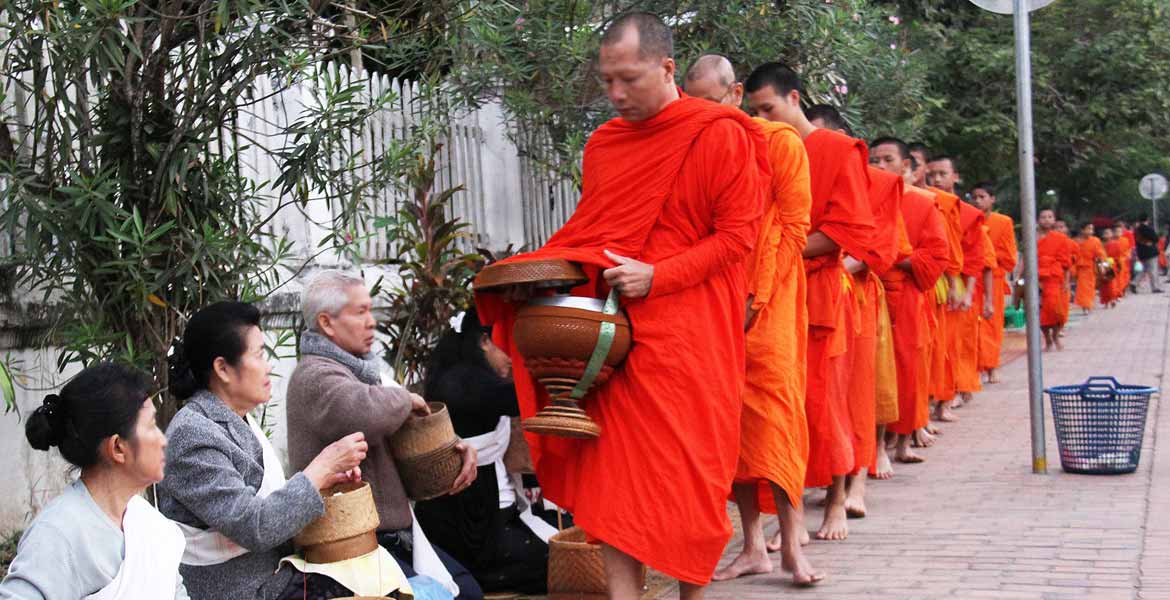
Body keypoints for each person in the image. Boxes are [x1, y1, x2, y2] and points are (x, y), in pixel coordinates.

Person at [475, 13, 771, 598]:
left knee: (689, 480)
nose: (614, 94)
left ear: (665, 68)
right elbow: (593, 235)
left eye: (628, 79)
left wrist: (659, 275)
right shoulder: (606, 144)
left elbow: (738, 237)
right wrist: (530, 276)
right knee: (615, 486)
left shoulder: (719, 132)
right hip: (613, 342)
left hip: (692, 336)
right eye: (606, 80)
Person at [683, 54, 821, 586]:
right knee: (729, 427)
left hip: (772, 305)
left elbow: (793, 224)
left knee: (778, 421)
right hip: (716, 305)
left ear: (735, 95)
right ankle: (751, 544)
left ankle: (791, 545)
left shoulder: (777, 143)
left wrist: (757, 295)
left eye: (712, 104)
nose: (703, 116)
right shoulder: (696, 151)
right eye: (693, 107)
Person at [158, 301, 383, 600]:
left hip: (276, 575)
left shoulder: (237, 417)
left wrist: (325, 479)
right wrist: (320, 469)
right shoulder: (192, 435)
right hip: (241, 590)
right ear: (223, 368)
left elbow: (266, 505)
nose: (269, 365)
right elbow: (256, 526)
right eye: (260, 354)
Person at [286, 271, 482, 599]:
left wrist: (453, 451)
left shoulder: (361, 370)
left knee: (467, 590)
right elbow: (365, 411)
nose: (371, 322)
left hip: (395, 538)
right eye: (360, 312)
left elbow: (404, 430)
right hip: (350, 548)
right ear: (327, 323)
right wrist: (406, 399)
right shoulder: (314, 375)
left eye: (371, 311)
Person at [744, 62, 875, 542]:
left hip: (819, 292)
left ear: (795, 99)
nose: (762, 119)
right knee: (777, 407)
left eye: (769, 108)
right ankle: (788, 514)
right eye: (754, 110)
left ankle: (836, 501)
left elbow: (850, 230)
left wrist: (778, 247)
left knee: (823, 403)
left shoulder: (836, 150)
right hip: (770, 290)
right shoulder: (758, 148)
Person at [0, 364, 188, 599]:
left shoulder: (148, 523)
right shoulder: (57, 534)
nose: (163, 440)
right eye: (151, 426)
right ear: (118, 447)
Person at [410, 306, 561, 595]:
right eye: (511, 346)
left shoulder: (462, 376)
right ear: (484, 341)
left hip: (482, 509)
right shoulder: (464, 383)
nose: (513, 357)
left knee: (563, 537)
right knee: (557, 560)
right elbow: (526, 398)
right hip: (471, 523)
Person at [806, 104, 900, 522]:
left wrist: (821, 264)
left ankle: (853, 484)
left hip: (852, 295)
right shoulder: (793, 162)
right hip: (807, 289)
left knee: (855, 392)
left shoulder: (876, 185)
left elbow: (874, 247)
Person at [869, 137, 949, 467]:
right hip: (871, 292)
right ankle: (875, 447)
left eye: (888, 159)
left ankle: (902, 439)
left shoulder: (922, 203)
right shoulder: (865, 197)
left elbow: (937, 255)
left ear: (906, 167)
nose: (880, 166)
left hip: (907, 298)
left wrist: (895, 256)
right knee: (873, 373)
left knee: (908, 370)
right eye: (874, 159)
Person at [925, 155, 975, 420]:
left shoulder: (955, 207)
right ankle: (929, 404)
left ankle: (946, 399)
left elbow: (970, 254)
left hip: (949, 281)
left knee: (949, 344)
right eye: (933, 174)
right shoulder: (920, 200)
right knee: (930, 347)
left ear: (955, 176)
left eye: (943, 174)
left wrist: (963, 287)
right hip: (924, 278)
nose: (936, 179)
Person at [969, 182, 1017, 384]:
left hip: (994, 279)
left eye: (982, 197)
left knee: (991, 325)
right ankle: (976, 368)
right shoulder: (969, 219)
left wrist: (986, 254)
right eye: (975, 197)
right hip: (972, 279)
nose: (978, 201)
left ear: (992, 199)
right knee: (972, 327)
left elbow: (1009, 255)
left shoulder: (1004, 222)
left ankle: (992, 367)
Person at [1036, 210, 1073, 350]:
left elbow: (1066, 263)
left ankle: (1056, 335)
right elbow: (1026, 259)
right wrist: (1019, 277)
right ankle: (1047, 338)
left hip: (1055, 279)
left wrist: (1066, 282)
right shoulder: (1032, 238)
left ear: (1054, 220)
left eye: (1049, 217)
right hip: (1037, 279)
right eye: (1043, 217)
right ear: (1038, 219)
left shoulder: (1061, 238)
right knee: (1039, 313)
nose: (1046, 219)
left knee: (1057, 312)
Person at [1074, 222, 1107, 314]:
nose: (1091, 231)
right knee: (1081, 289)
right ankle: (1085, 306)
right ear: (1082, 230)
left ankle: (1087, 306)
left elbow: (1102, 255)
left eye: (1092, 229)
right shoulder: (1075, 241)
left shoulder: (1095, 241)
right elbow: (1072, 256)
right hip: (1079, 268)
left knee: (1089, 288)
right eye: (1088, 229)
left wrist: (1104, 267)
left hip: (1090, 269)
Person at [1133, 216, 1162, 293]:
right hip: (1150, 252)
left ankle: (1134, 283)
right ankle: (1155, 287)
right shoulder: (1148, 228)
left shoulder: (1136, 230)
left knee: (1144, 269)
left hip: (1141, 252)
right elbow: (1156, 238)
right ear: (1147, 220)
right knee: (1153, 270)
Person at [1101, 227, 1122, 308]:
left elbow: (1118, 256)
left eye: (1108, 233)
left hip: (1110, 263)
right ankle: (1106, 302)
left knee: (1112, 284)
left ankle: (1112, 299)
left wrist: (1119, 265)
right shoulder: (1101, 244)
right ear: (1102, 235)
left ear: (1112, 234)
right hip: (1103, 263)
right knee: (1104, 284)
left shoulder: (1115, 243)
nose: (1106, 235)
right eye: (1105, 233)